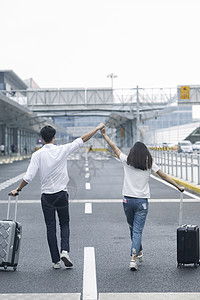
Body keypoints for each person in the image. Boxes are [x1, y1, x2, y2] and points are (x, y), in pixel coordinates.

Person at [9, 123, 105, 269]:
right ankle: (65, 251)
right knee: (64, 223)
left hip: (46, 196)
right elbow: (82, 139)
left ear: (41, 138)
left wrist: (18, 189)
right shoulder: (62, 149)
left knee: (50, 227)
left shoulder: (37, 155)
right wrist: (97, 128)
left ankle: (55, 261)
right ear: (54, 137)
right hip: (61, 194)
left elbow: (28, 177)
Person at [100, 126, 184, 271]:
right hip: (142, 202)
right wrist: (178, 187)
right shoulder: (149, 164)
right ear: (146, 153)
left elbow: (114, 147)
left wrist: (105, 135)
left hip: (127, 201)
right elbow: (164, 176)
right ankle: (133, 258)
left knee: (133, 228)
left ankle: (138, 252)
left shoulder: (127, 161)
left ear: (132, 152)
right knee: (137, 230)